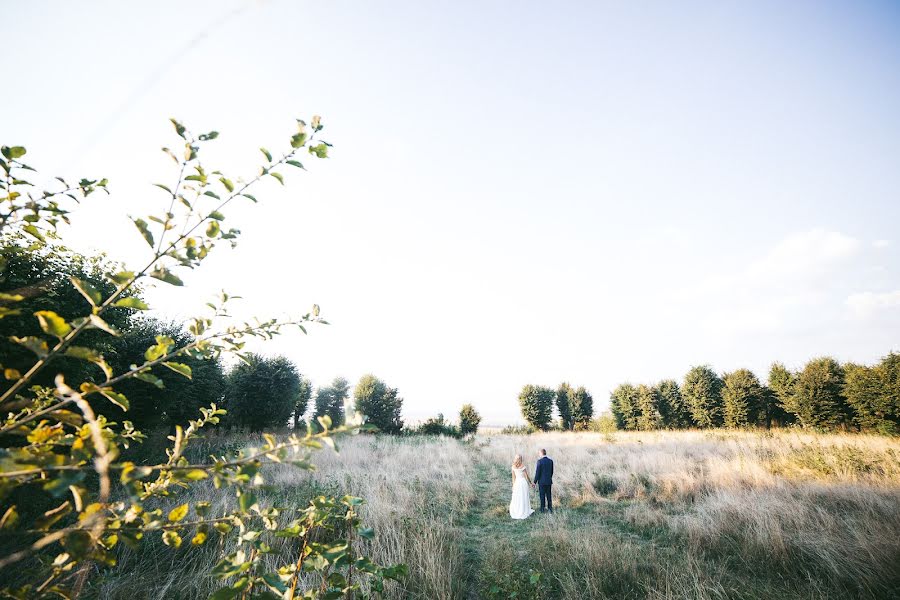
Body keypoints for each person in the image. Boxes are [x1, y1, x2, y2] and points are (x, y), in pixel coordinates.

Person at [508, 454, 534, 519]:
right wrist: (531, 483)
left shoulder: (513, 466)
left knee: (517, 496)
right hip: (523, 483)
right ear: (521, 459)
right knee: (523, 496)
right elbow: (526, 476)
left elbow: (513, 478)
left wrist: (513, 485)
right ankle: (524, 510)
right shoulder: (523, 466)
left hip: (517, 483)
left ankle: (517, 510)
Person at [532, 448, 554, 513]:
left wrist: (534, 482)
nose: (539, 454)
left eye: (539, 453)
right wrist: (549, 478)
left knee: (542, 495)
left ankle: (542, 508)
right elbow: (551, 472)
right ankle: (550, 508)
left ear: (541, 453)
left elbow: (537, 473)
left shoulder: (539, 461)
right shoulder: (550, 461)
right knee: (549, 495)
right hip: (548, 481)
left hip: (541, 482)